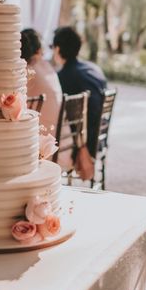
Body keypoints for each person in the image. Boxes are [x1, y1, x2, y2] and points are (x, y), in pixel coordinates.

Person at [52, 26, 107, 179]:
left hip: (81, 145)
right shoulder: (94, 69)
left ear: (57, 49)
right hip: (99, 139)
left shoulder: (63, 77)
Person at [21, 29, 62, 133]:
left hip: (41, 143)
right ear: (39, 50)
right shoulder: (48, 68)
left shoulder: (25, 71)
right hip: (63, 139)